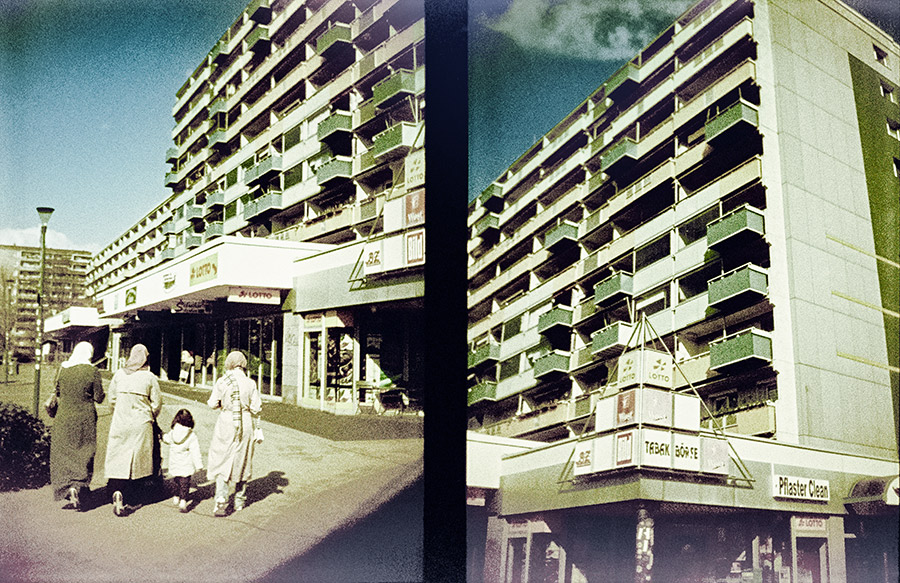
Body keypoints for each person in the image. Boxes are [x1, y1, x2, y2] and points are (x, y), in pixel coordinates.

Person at [104, 344, 162, 517]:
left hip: (120, 422)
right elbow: (157, 403)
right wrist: (150, 416)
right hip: (141, 424)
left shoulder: (119, 375)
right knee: (137, 459)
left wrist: (117, 413)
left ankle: (117, 491)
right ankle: (134, 494)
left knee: (118, 456)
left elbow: (111, 399)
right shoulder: (150, 377)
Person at [49, 342, 105, 511]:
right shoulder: (92, 371)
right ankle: (80, 486)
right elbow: (99, 397)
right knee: (85, 451)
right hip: (85, 418)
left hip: (64, 417)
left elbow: (57, 391)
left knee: (64, 452)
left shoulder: (63, 369)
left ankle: (67, 487)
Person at [206, 351, 263, 516]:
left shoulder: (222, 381)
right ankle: (239, 500)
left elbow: (212, 403)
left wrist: (223, 404)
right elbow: (256, 408)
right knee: (242, 460)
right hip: (245, 423)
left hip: (226, 421)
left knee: (223, 459)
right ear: (243, 364)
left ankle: (221, 500)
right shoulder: (250, 383)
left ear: (229, 363)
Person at [161, 408, 203, 513]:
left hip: (175, 462)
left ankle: (176, 496)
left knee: (176, 481)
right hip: (186, 464)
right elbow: (195, 451)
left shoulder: (173, 432)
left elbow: (166, 439)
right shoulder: (191, 435)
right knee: (185, 483)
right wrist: (199, 465)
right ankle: (183, 500)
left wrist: (161, 435)